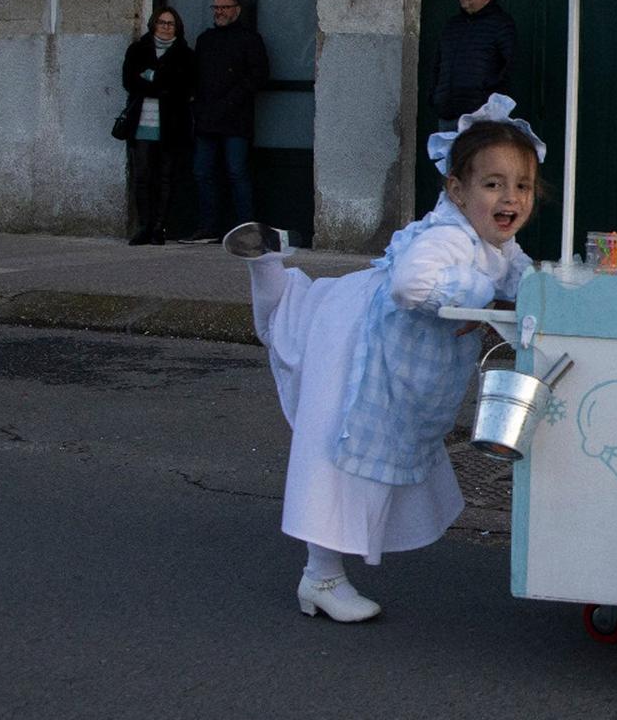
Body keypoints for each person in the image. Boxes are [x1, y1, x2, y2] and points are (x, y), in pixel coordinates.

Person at [232, 94, 541, 622]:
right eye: (493, 184)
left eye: (522, 186)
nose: (510, 197)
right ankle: (320, 576)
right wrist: (479, 297)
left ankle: (269, 264)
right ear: (457, 192)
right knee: (339, 447)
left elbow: (521, 277)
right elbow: (409, 282)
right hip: (356, 341)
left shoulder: (492, 243)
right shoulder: (448, 236)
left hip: (376, 342)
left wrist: (550, 294)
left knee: (372, 446)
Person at [187, 0, 269, 242]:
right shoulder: (205, 40)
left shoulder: (250, 39)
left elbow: (259, 75)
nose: (219, 12)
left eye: (224, 7)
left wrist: (233, 99)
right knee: (202, 172)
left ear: (237, 9)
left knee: (236, 172)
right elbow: (195, 76)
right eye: (216, 8)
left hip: (236, 119)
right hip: (207, 118)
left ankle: (246, 230)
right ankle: (208, 227)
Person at [119, 7, 195, 245]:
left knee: (165, 177)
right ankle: (144, 225)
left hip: (170, 126)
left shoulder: (185, 54)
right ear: (153, 24)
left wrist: (151, 78)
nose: (165, 27)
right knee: (142, 176)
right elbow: (129, 81)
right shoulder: (137, 50)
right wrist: (160, 84)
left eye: (170, 23)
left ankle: (159, 227)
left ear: (177, 27)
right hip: (142, 124)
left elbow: (184, 88)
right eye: (161, 22)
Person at [432, 0, 516, 129]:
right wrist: (436, 96)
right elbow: (438, 64)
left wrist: (486, 95)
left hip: (481, 117)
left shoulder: (501, 24)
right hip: (447, 114)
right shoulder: (452, 25)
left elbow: (510, 65)